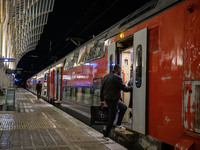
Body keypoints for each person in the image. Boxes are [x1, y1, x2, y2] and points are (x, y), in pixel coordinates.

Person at [100, 64, 132, 141]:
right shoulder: (117, 77)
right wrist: (133, 87)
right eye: (120, 69)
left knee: (123, 107)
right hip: (113, 99)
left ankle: (118, 124)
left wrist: (101, 100)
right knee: (112, 117)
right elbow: (125, 89)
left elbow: (102, 89)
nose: (121, 70)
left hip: (108, 98)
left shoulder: (106, 77)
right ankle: (106, 135)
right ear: (118, 69)